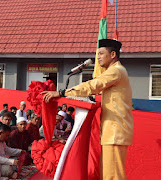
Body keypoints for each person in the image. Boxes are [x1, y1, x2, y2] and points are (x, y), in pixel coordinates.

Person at [41, 39, 133, 180]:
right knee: (107, 174)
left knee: (113, 176)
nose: (98, 58)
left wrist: (61, 93)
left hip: (115, 132)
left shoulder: (116, 71)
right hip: (112, 131)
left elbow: (92, 86)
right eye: (97, 55)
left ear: (113, 54)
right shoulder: (114, 71)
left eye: (101, 53)